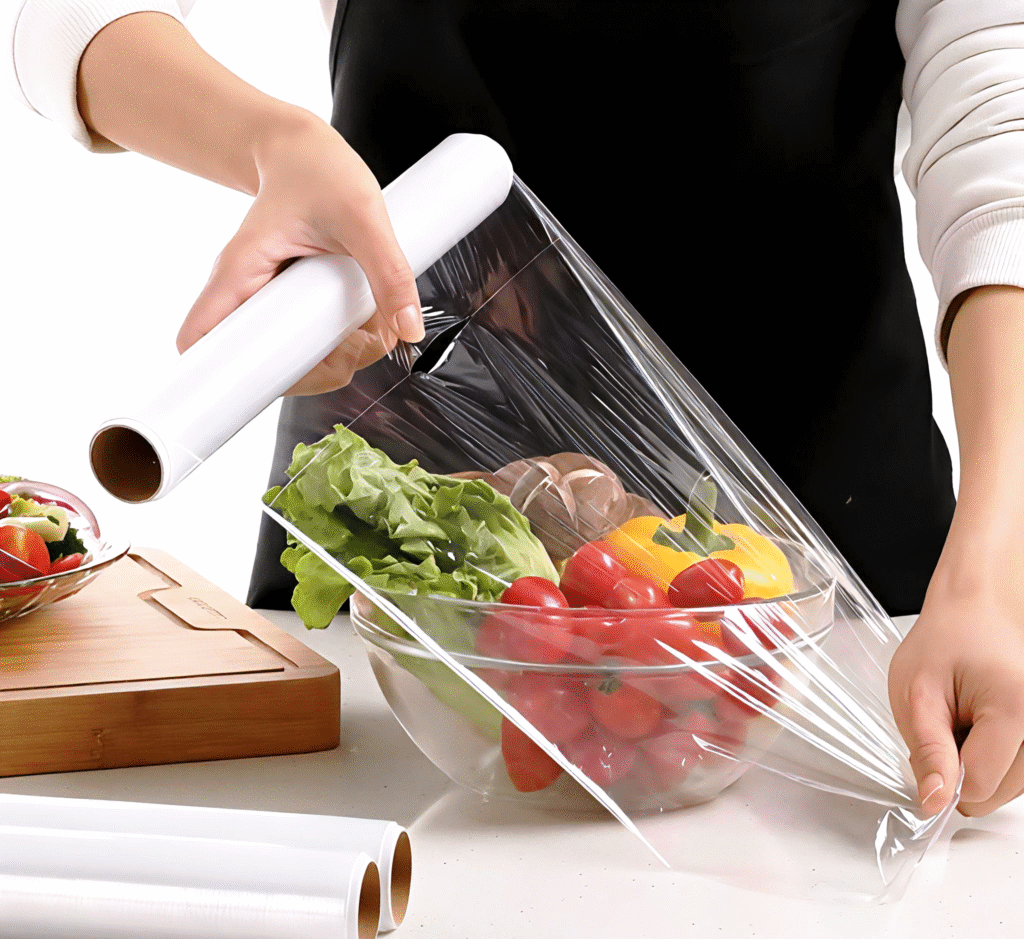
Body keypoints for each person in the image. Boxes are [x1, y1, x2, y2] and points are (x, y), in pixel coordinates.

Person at [6, 0, 1024, 820]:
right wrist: (272, 144)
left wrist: (995, 573)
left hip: (816, 588)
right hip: (410, 542)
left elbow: (1000, 139)